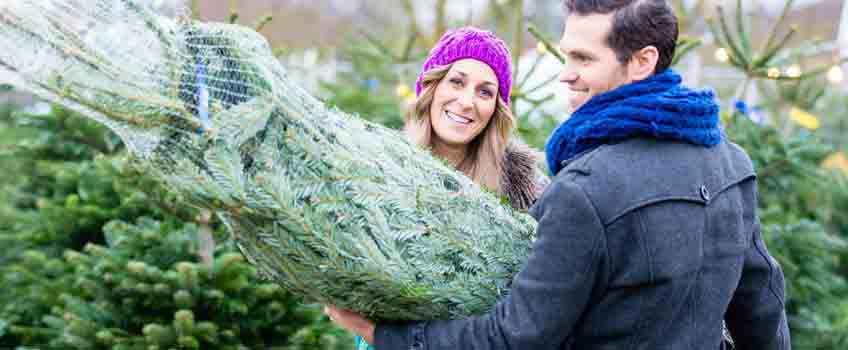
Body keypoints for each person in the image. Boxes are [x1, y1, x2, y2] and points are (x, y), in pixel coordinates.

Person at [326, 1, 791, 349]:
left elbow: (516, 336)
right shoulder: (731, 163)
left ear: (643, 61)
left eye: (584, 59)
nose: (564, 75)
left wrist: (384, 336)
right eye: (566, 56)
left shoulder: (584, 191)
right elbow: (762, 309)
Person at [346, 26, 549, 350]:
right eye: (457, 81)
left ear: (497, 107)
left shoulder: (525, 192)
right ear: (432, 86)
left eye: (485, 92)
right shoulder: (383, 170)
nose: (467, 102)